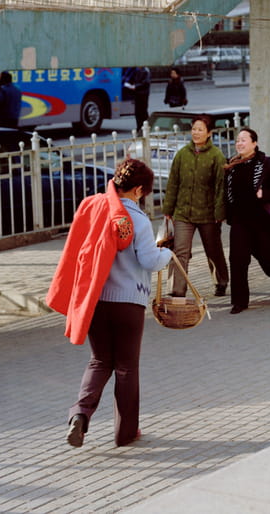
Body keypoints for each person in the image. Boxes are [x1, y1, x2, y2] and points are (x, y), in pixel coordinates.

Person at [47, 158, 172, 448]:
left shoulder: (93, 207)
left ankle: (80, 414)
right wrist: (167, 253)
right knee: (127, 367)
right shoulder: (137, 220)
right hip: (128, 302)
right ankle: (125, 433)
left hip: (97, 300)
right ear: (139, 190)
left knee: (100, 360)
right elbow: (149, 260)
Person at [224, 127, 270, 314]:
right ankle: (239, 302)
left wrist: (264, 194)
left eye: (243, 140)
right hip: (239, 221)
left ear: (254, 143)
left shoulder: (267, 163)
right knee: (237, 260)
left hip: (262, 222)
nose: (239, 143)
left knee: (268, 260)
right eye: (238, 140)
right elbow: (226, 193)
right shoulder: (231, 166)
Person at [162, 114, 229, 298]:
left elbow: (220, 187)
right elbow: (173, 183)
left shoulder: (216, 156)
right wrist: (168, 210)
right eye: (194, 129)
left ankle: (221, 281)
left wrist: (219, 213)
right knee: (180, 251)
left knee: (213, 250)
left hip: (209, 215)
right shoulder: (182, 154)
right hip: (183, 213)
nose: (196, 133)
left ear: (209, 133)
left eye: (200, 129)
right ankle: (177, 290)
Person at [123, 67, 151, 131]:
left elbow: (145, 82)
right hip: (137, 93)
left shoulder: (145, 71)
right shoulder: (137, 70)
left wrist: (135, 86)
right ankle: (139, 127)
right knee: (137, 112)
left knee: (143, 111)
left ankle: (145, 127)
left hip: (143, 93)